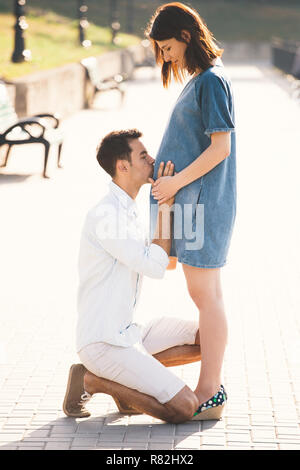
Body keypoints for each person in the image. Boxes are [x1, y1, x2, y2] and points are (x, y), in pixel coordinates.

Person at [62, 129, 204, 424]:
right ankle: (93, 381)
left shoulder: (130, 209)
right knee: (185, 406)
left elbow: (164, 262)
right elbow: (154, 267)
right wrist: (166, 204)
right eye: (143, 155)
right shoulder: (107, 216)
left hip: (130, 334)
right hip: (104, 343)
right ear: (122, 166)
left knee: (208, 338)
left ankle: (125, 382)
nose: (152, 159)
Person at [146, 2, 236, 419]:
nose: (165, 57)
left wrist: (174, 182)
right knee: (205, 295)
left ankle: (210, 391)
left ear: (185, 36)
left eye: (166, 48)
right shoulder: (203, 80)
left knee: (206, 296)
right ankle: (210, 388)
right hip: (192, 204)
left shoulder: (211, 81)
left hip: (201, 204)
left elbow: (221, 148)